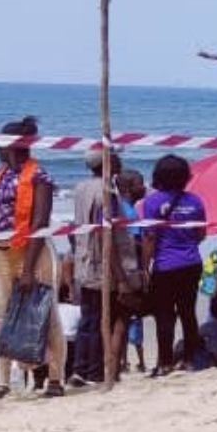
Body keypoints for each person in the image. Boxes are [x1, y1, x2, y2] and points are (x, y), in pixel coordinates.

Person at [0, 116, 66, 398]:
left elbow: (39, 222)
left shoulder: (40, 177)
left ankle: (54, 379)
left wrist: (27, 269)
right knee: (1, 319)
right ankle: (2, 383)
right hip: (1, 255)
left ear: (12, 146)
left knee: (46, 315)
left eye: (1, 144)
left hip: (34, 255)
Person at [71, 150, 141, 386]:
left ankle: (80, 369)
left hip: (85, 260)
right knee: (102, 319)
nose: (121, 161)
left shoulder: (80, 189)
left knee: (87, 319)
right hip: (103, 265)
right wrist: (120, 277)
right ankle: (94, 371)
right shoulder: (107, 194)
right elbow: (106, 237)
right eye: (115, 158)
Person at [141, 155, 206, 376]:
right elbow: (201, 234)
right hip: (191, 262)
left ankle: (165, 361)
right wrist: (185, 245)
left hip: (165, 265)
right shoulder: (196, 201)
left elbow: (149, 238)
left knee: (164, 315)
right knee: (189, 312)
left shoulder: (151, 203)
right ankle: (190, 360)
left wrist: (144, 266)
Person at [117, 169, 148, 372]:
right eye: (140, 184)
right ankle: (123, 362)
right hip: (130, 269)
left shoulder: (120, 207)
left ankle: (122, 362)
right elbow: (137, 242)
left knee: (123, 318)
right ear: (128, 188)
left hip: (121, 268)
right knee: (129, 317)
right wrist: (144, 268)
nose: (144, 188)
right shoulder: (129, 212)